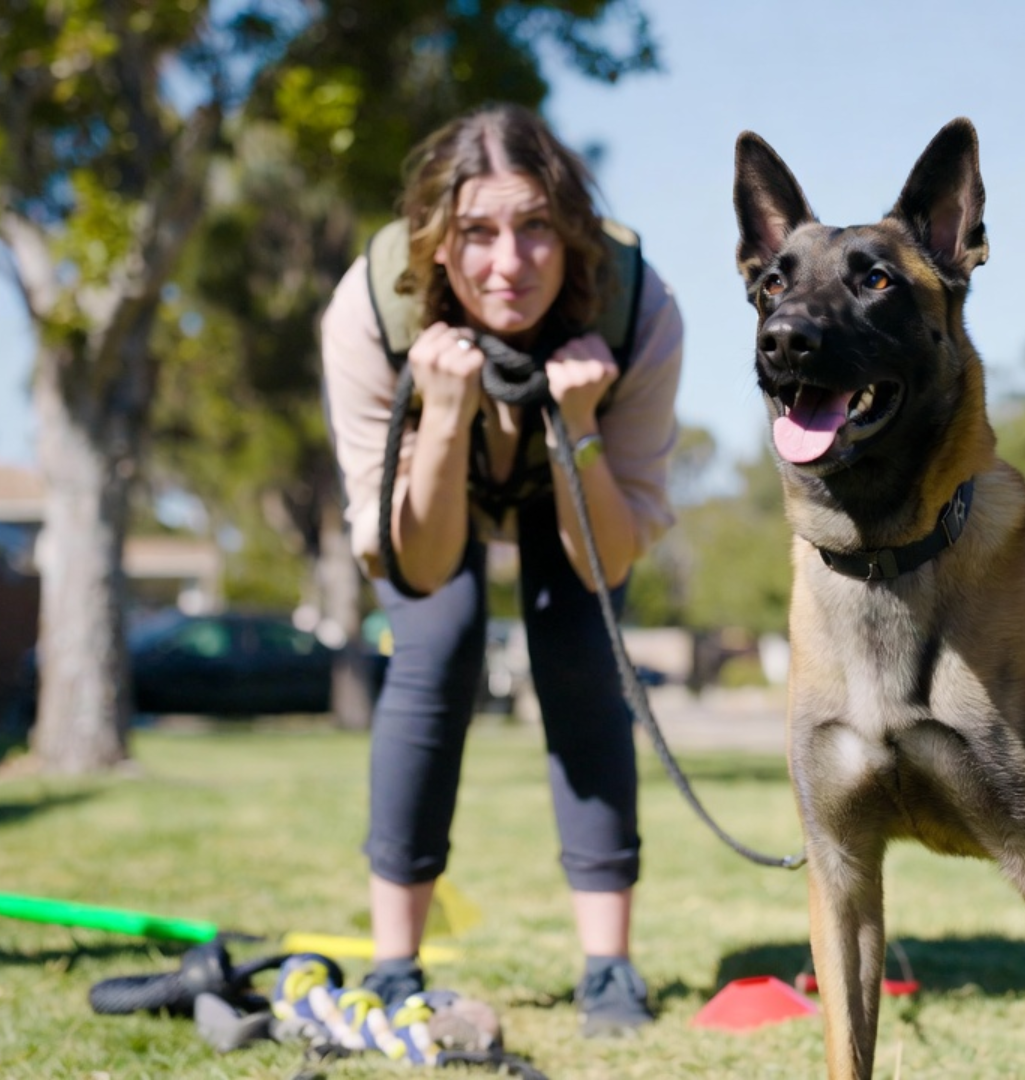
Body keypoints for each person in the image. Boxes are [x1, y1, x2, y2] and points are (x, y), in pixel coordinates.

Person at [320, 103, 683, 1038]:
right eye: (476, 234)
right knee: (434, 648)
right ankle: (395, 964)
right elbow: (427, 565)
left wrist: (585, 424)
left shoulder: (640, 310)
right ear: (437, 245)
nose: (507, 263)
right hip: (434, 490)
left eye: (533, 230)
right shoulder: (369, 314)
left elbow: (605, 560)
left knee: (578, 654)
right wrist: (442, 417)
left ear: (569, 231)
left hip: (572, 476)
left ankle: (610, 968)